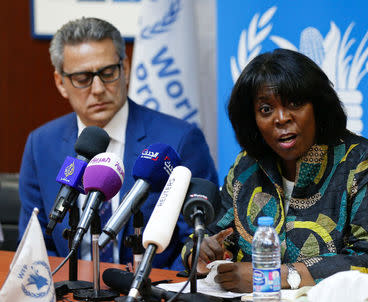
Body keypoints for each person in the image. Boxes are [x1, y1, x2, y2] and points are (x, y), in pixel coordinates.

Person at [182, 48, 368, 296]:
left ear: (318, 107)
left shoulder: (366, 162)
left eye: (295, 103)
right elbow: (213, 233)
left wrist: (272, 277)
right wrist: (199, 252)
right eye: (266, 110)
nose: (281, 118)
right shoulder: (246, 167)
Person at [18, 17, 218, 270]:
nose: (99, 88)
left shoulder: (179, 140)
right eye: (82, 78)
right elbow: (33, 243)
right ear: (61, 83)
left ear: (125, 68)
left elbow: (197, 239)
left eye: (108, 73)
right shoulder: (41, 144)